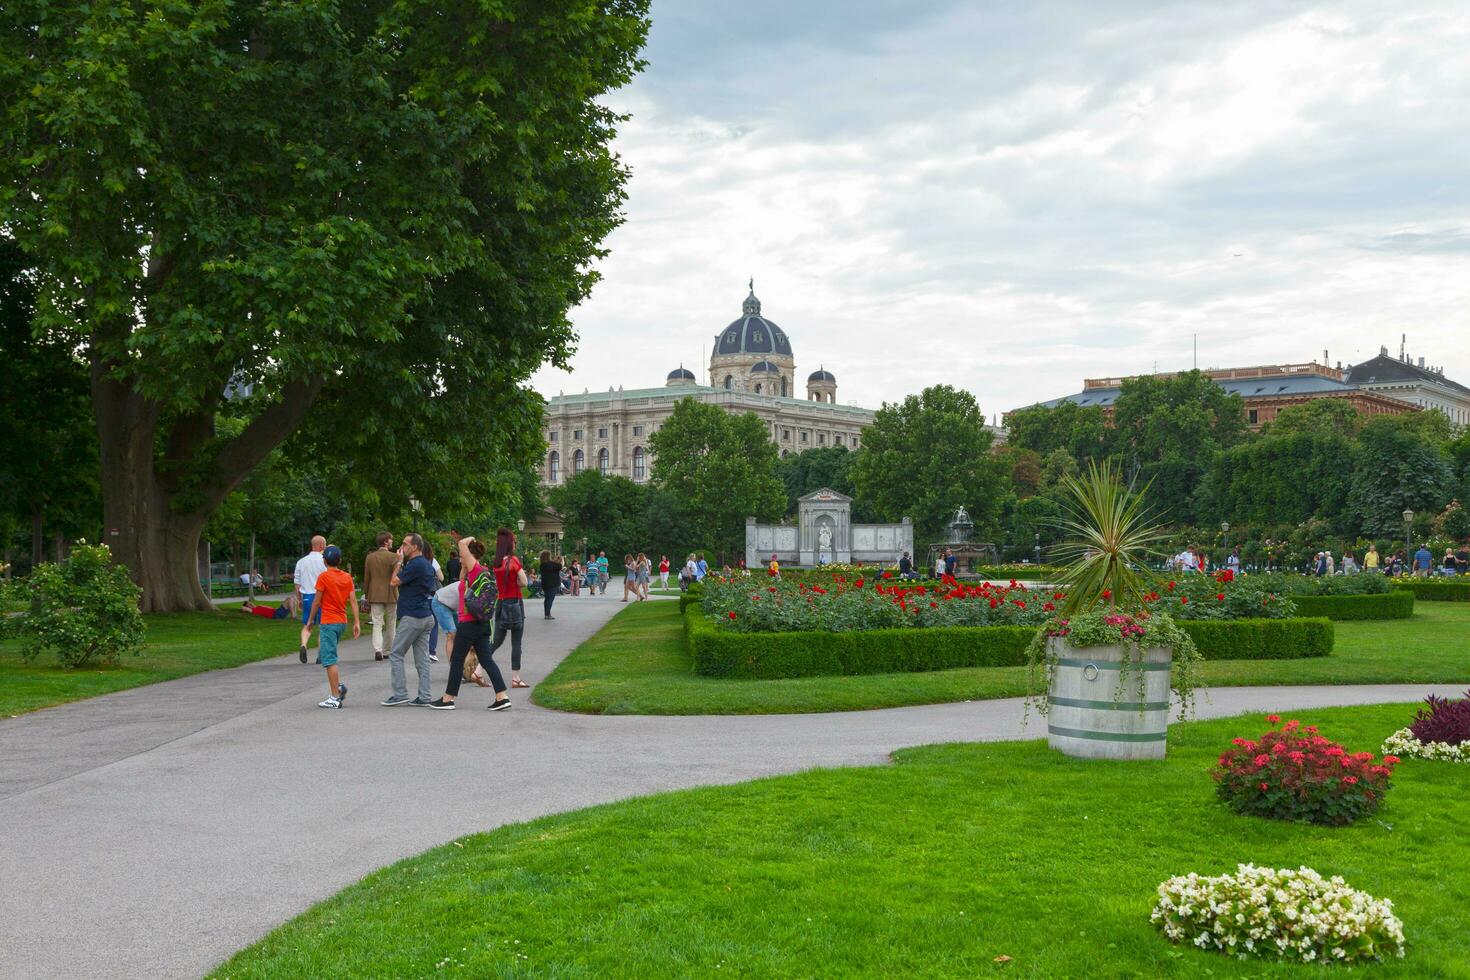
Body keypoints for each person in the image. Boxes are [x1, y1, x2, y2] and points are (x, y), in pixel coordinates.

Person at [427, 536, 510, 711]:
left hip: (469, 623)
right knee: (487, 660)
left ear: (469, 555)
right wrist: (463, 569)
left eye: (462, 556)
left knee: (457, 660)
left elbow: (461, 544)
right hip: (482, 623)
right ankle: (502, 696)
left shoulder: (475, 569)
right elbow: (462, 584)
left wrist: (471, 539)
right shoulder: (475, 572)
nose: (460, 558)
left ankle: (448, 698)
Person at [381, 532, 437, 707]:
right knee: (422, 659)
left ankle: (400, 694)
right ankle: (425, 696)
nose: (402, 547)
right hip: (426, 615)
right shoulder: (427, 564)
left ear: (415, 547)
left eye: (405, 544)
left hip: (412, 617)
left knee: (396, 654)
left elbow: (393, 582)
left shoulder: (415, 564)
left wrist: (398, 562)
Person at [305, 546, 360, 709]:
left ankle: (335, 697)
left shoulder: (323, 577)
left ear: (324, 561)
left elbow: (317, 601)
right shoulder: (347, 577)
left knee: (329, 659)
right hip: (341, 621)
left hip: (328, 621)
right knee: (329, 655)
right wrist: (356, 621)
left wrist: (310, 620)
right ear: (340, 560)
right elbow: (353, 601)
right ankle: (338, 687)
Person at [363, 532, 398, 662]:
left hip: (375, 593)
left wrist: (366, 594)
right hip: (391, 593)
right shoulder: (394, 557)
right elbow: (397, 575)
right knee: (391, 623)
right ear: (385, 542)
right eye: (391, 540)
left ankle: (377, 649)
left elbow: (367, 578)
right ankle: (387, 650)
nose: (392, 541)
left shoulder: (370, 557)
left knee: (377, 623)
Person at [293, 535, 327, 664]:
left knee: (308, 624)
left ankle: (303, 644)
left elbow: (297, 582)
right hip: (322, 597)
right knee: (323, 626)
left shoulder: (301, 561)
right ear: (322, 546)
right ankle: (320, 654)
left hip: (307, 596)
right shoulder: (324, 561)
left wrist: (299, 599)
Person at [423, 540, 445, 663]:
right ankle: (431, 651)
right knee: (434, 624)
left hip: (420, 597)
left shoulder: (414, 562)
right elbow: (441, 577)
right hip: (432, 596)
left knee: (421, 624)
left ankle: (422, 650)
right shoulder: (432, 561)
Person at [431, 575, 460, 661]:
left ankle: (460, 664)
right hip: (440, 602)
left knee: (461, 634)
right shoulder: (468, 587)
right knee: (451, 634)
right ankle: (453, 667)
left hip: (452, 605)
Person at [539, 550, 562, 619]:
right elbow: (559, 566)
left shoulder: (542, 564)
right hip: (552, 584)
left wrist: (555, 561)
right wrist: (559, 560)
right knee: (550, 599)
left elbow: (555, 566)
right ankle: (547, 614)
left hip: (545, 584)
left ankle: (547, 613)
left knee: (547, 599)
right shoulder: (551, 564)